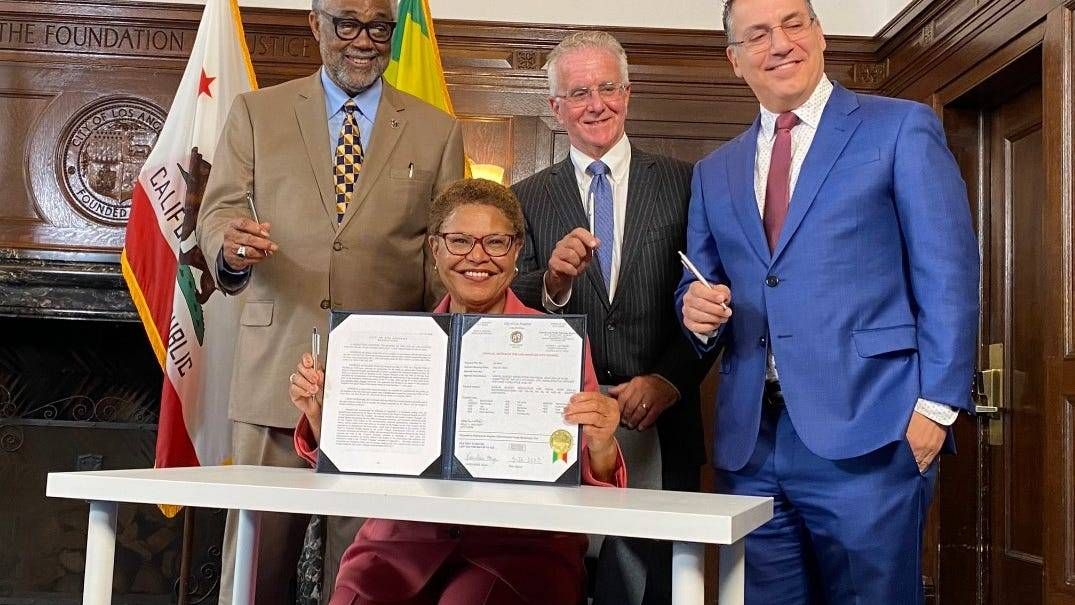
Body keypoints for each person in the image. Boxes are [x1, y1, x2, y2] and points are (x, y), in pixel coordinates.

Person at [676, 0, 980, 602]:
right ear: (735, 60)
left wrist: (937, 408)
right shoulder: (714, 170)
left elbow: (948, 271)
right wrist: (695, 311)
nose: (779, 43)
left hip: (873, 434)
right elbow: (699, 283)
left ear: (819, 34)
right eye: (758, 34)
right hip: (750, 447)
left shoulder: (900, 128)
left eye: (794, 23)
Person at [195, 0, 465, 600]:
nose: (363, 41)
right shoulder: (256, 112)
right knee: (256, 570)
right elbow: (220, 212)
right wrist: (229, 249)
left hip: (387, 391)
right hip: (275, 374)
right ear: (314, 24)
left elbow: (443, 260)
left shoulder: (437, 130)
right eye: (347, 23)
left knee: (364, 574)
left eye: (379, 27)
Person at [287, 178, 627, 605]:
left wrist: (602, 441)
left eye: (496, 242)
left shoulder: (557, 345)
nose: (477, 256)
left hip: (520, 545)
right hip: (401, 542)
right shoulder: (393, 345)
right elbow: (356, 463)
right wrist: (322, 415)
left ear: (517, 250)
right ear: (435, 249)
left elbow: (593, 485)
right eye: (460, 240)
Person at [511, 31, 711, 604]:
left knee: (651, 591)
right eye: (579, 93)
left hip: (661, 424)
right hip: (560, 428)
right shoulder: (525, 196)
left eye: (607, 88)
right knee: (556, 586)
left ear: (627, 93)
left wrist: (669, 380)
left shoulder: (686, 183)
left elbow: (712, 301)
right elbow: (506, 308)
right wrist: (553, 282)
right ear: (556, 107)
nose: (595, 104)